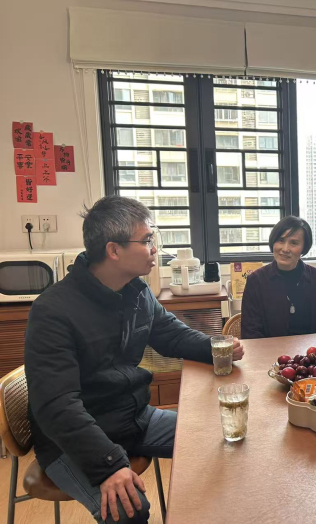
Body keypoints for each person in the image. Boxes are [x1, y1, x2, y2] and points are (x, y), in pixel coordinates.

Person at [24, 196, 245, 524]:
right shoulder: (53, 311)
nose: (155, 249)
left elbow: (170, 334)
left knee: (227, 435)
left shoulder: (136, 291)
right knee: (129, 511)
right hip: (72, 440)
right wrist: (109, 465)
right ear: (114, 250)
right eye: (147, 240)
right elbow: (57, 407)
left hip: (134, 417)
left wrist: (218, 348)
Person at [241, 216, 316, 339]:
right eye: (281, 240)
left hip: (312, 350)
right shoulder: (256, 281)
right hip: (269, 350)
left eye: (294, 243)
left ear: (304, 248)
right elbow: (251, 333)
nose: (285, 249)